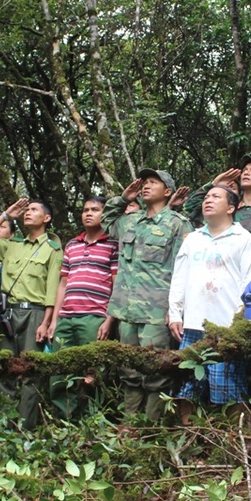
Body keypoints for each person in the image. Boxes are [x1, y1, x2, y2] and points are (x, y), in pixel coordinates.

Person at [102, 169, 192, 421]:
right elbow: (107, 222)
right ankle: (130, 423)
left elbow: (181, 269)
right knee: (128, 369)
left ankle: (151, 428)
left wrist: (174, 309)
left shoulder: (177, 223)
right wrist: (122, 198)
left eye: (154, 182)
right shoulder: (131, 220)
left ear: (168, 192)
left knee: (156, 371)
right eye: (145, 182)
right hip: (126, 311)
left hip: (156, 311)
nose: (146, 186)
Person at [168, 185, 251, 424]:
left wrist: (240, 324)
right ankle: (187, 437)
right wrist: (175, 313)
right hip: (192, 325)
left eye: (216, 197)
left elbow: (249, 284)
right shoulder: (193, 239)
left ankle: (232, 441)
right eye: (207, 197)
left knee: (226, 387)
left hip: (225, 326)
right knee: (187, 385)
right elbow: (179, 278)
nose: (208, 200)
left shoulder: (245, 240)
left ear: (231, 207)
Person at [0, 198, 63, 429]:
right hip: (8, 314)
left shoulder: (53, 249)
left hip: (35, 314)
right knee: (3, 367)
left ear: (46, 219)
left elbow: (52, 288)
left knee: (31, 372)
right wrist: (7, 215)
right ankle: (0, 428)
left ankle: (24, 429)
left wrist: (47, 322)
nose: (28, 213)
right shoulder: (12, 245)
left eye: (34, 210)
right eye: (26, 210)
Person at [46, 196, 119, 420]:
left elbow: (117, 284)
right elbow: (63, 283)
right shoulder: (72, 245)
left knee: (93, 373)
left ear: (104, 215)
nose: (88, 213)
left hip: (94, 317)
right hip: (67, 317)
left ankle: (93, 423)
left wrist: (109, 319)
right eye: (86, 210)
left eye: (95, 210)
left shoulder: (113, 244)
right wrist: (54, 320)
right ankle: (64, 422)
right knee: (60, 371)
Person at [184, 156, 251, 275]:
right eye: (245, 170)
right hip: (219, 280)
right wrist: (214, 184)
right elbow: (190, 208)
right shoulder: (226, 208)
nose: (247, 173)